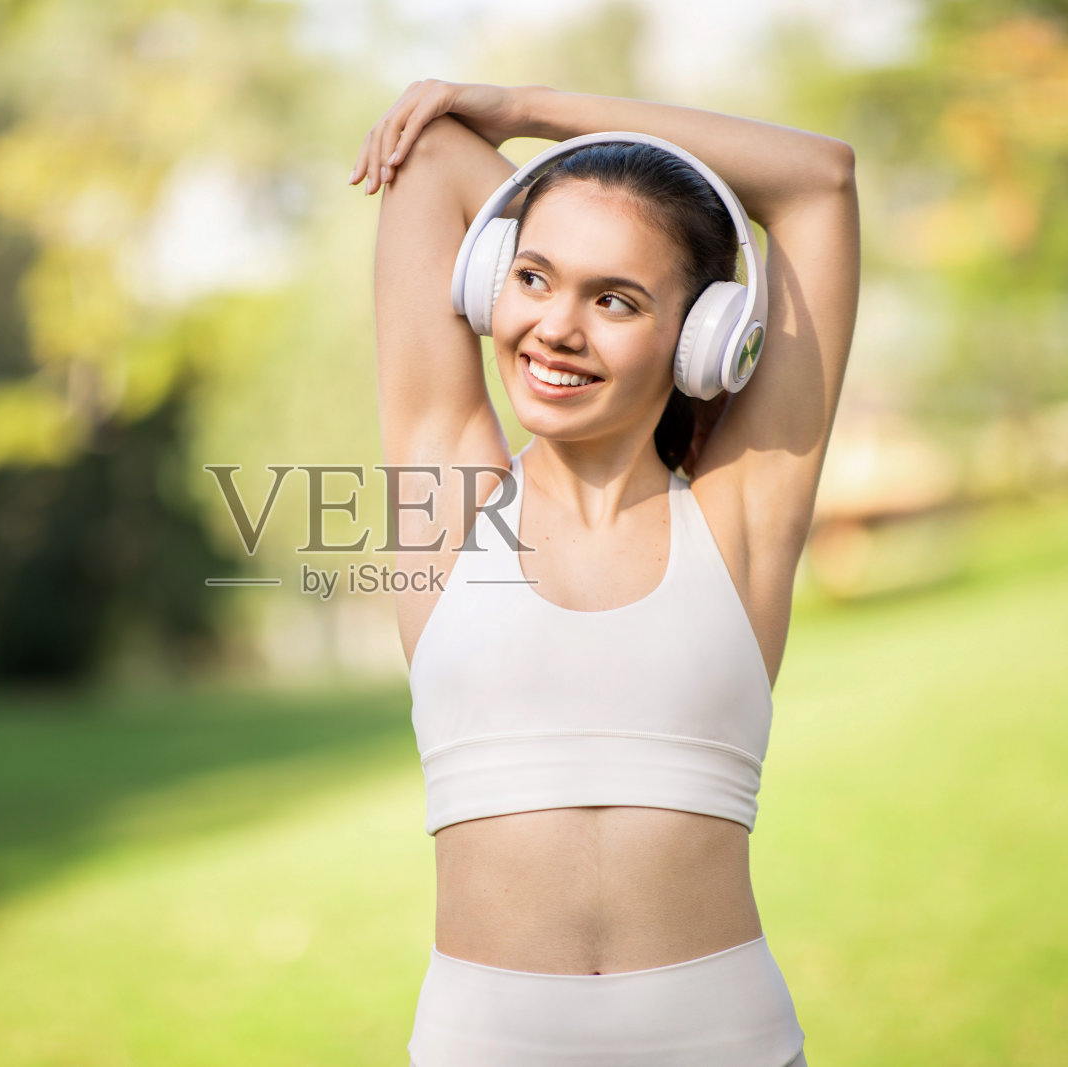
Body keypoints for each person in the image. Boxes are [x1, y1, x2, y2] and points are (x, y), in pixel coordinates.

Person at [348, 81, 859, 1065]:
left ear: (705, 335)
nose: (556, 329)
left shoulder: (740, 515)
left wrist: (529, 105)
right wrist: (535, 168)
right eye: (532, 278)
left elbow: (817, 181)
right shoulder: (446, 498)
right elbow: (435, 153)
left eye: (615, 299)